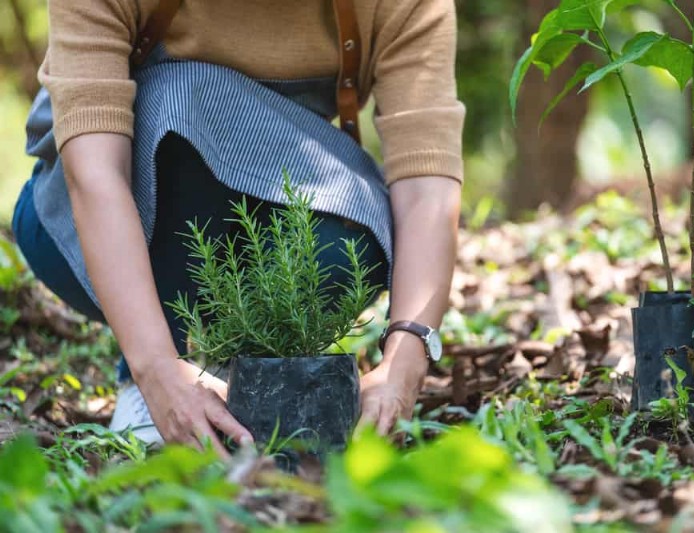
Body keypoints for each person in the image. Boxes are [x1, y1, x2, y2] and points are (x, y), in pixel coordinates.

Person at [11, 0, 464, 456]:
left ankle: (238, 376)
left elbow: (427, 187)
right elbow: (95, 175)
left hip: (271, 187)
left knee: (354, 230)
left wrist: (405, 361)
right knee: (185, 98)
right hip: (75, 220)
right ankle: (158, 374)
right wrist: (154, 368)